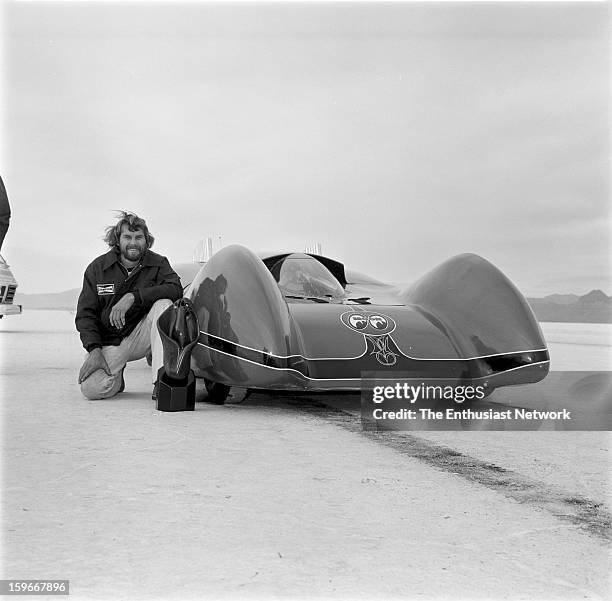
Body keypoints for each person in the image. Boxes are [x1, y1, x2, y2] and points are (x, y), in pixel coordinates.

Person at [75, 211, 183, 400]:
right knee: (92, 389)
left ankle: (161, 382)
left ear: (146, 241)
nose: (133, 242)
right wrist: (94, 350)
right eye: (127, 237)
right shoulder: (97, 269)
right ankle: (117, 379)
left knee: (164, 304)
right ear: (117, 240)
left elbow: (175, 289)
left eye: (139, 237)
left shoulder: (158, 263)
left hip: (144, 334)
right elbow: (85, 315)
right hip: (113, 340)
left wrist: (134, 297)